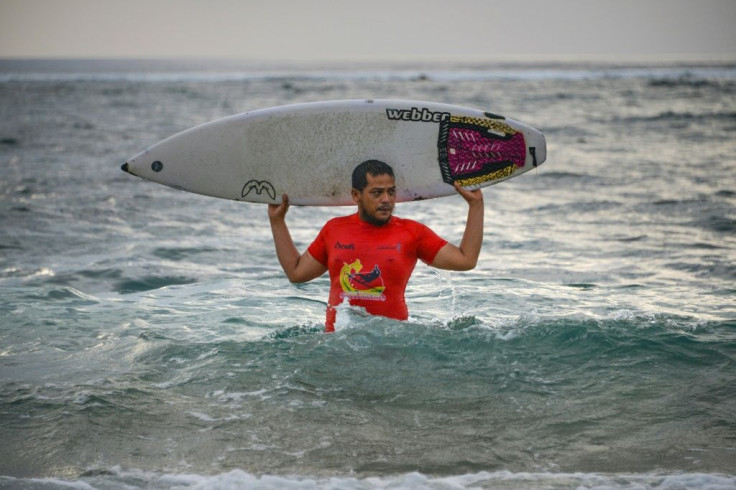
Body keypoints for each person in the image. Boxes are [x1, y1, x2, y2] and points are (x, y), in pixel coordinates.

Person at [268, 160, 484, 332]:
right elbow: (297, 273)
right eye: (377, 192)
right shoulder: (334, 229)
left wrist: (476, 205)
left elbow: (466, 260)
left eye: (391, 192)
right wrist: (277, 221)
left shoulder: (412, 233)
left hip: (391, 345)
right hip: (338, 345)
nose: (386, 199)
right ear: (356, 195)